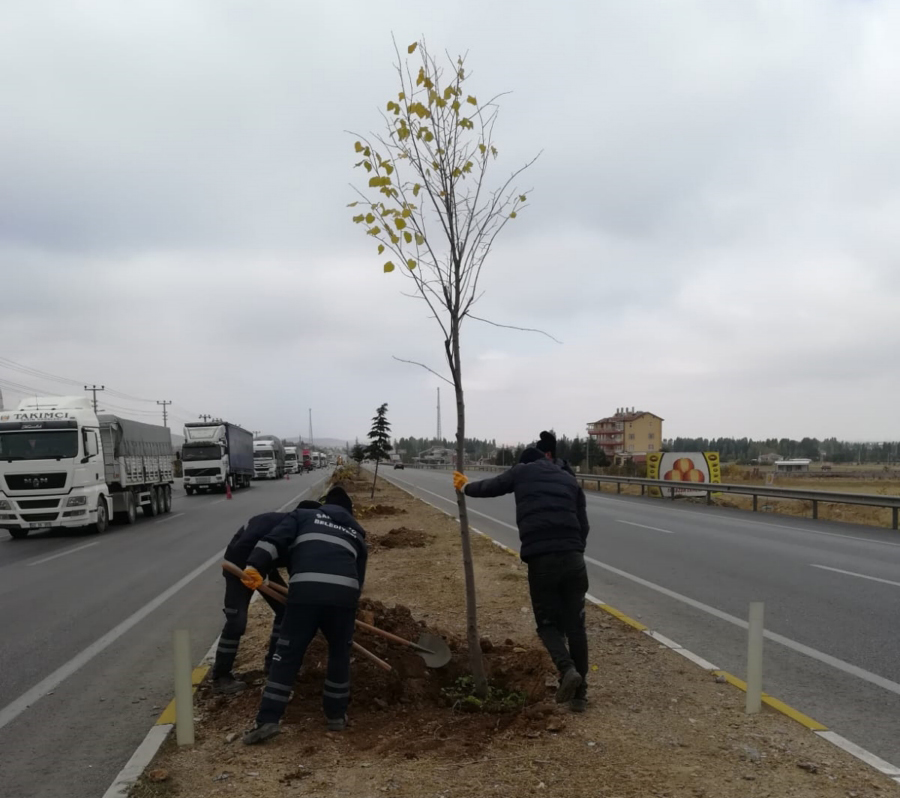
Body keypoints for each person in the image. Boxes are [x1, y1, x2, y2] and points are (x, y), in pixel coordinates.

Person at [453, 447, 591, 712]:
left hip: (542, 560)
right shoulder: (568, 478)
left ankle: (567, 669)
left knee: (547, 624)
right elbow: (584, 524)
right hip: (574, 559)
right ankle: (580, 696)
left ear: (524, 463)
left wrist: (466, 486)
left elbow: (493, 486)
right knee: (576, 627)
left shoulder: (522, 471)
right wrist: (575, 549)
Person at [241, 485, 368, 744]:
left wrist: (255, 565)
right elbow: (359, 574)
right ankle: (336, 716)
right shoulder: (356, 531)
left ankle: (268, 720)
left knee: (287, 653)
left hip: (306, 592)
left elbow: (273, 541)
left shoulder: (304, 516)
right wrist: (345, 604)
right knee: (339, 653)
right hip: (344, 595)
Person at [212, 500, 323, 694]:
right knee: (237, 621)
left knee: (286, 609)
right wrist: (251, 571)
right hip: (238, 568)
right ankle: (221, 677)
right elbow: (242, 546)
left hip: (264, 566)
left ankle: (273, 665)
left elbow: (295, 566)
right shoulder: (281, 525)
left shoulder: (299, 530)